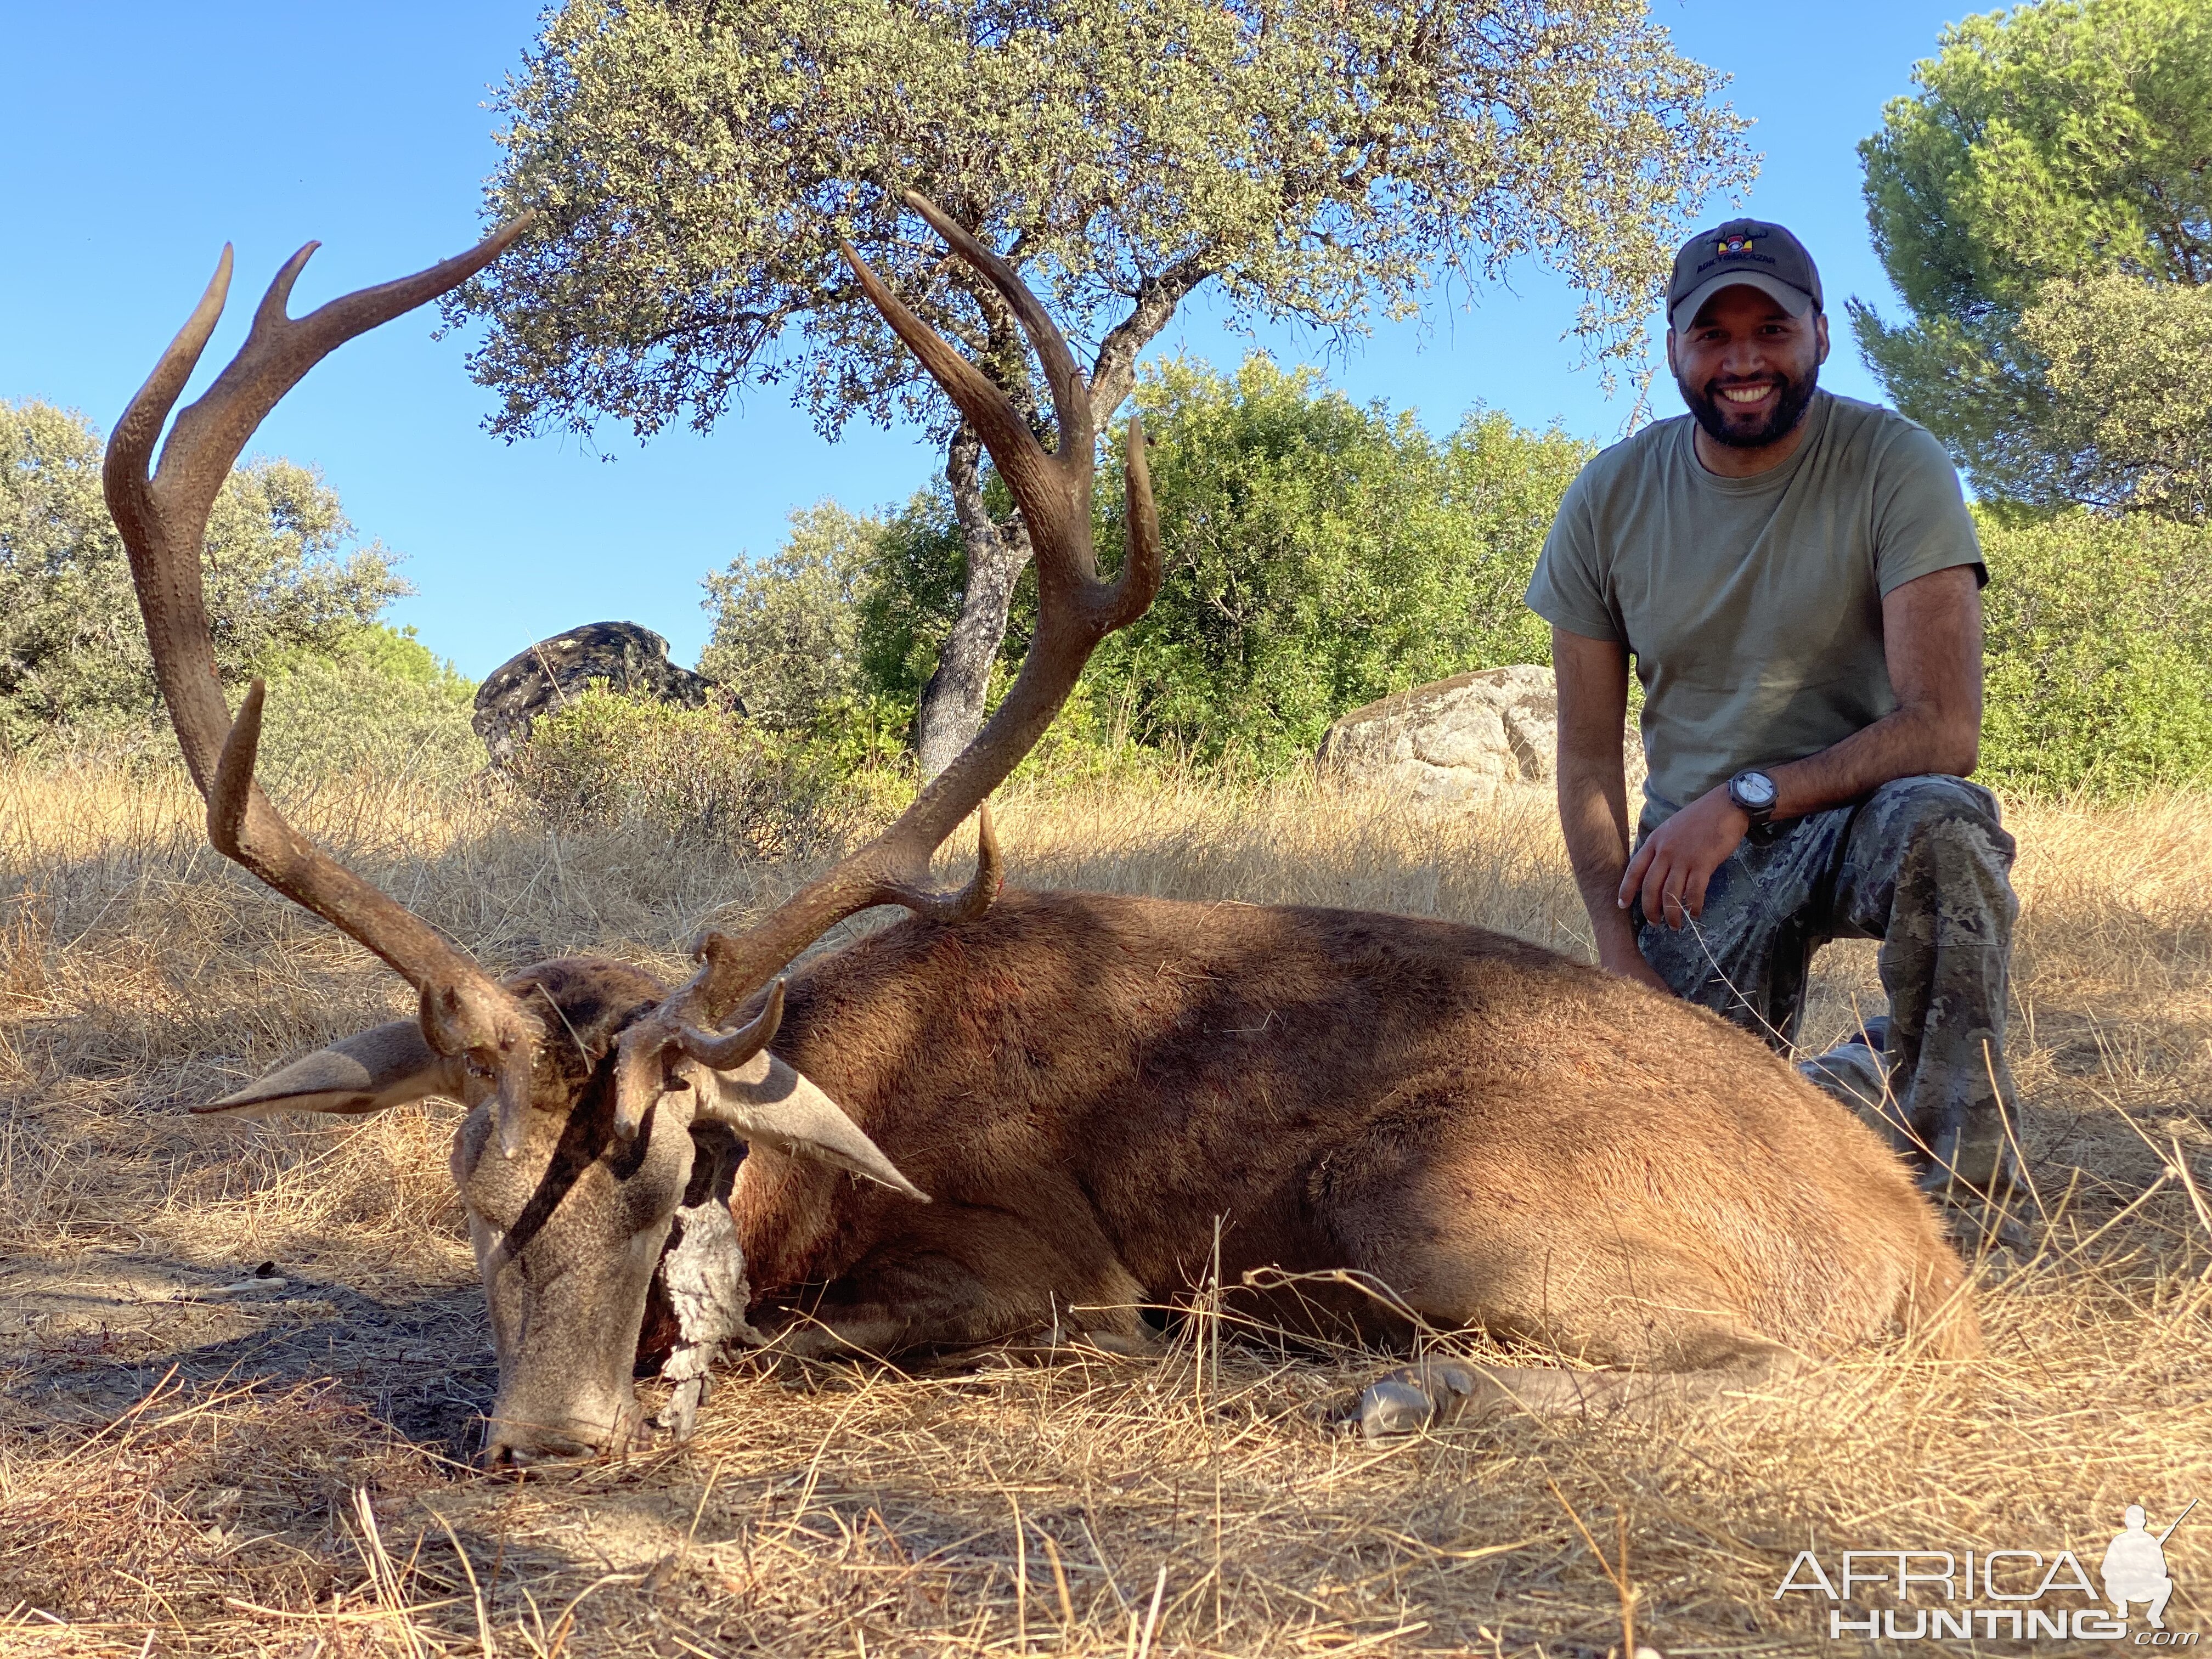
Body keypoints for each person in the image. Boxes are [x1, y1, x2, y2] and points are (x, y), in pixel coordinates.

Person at [1526, 217, 2021, 1215]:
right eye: (1713, 334)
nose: (1743, 360)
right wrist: (1615, 948)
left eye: (1771, 329)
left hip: (1858, 811)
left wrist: (1748, 796)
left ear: (1820, 335)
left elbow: (1942, 727)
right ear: (1673, 347)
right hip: (1695, 858)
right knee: (1688, 1158)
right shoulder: (1606, 497)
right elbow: (1584, 759)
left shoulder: (1896, 462)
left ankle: (1958, 1187)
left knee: (1950, 829)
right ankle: (1844, 1082)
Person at [2100, 1505, 2175, 1629]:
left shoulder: (2150, 1541)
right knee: (2111, 1583)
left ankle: (2154, 1615)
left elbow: (2162, 1570)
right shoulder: (2119, 1541)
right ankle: (2122, 1607)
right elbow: (2106, 1570)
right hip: (2122, 1588)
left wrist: (2146, 1570)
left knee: (2166, 1584)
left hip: (2145, 1587)